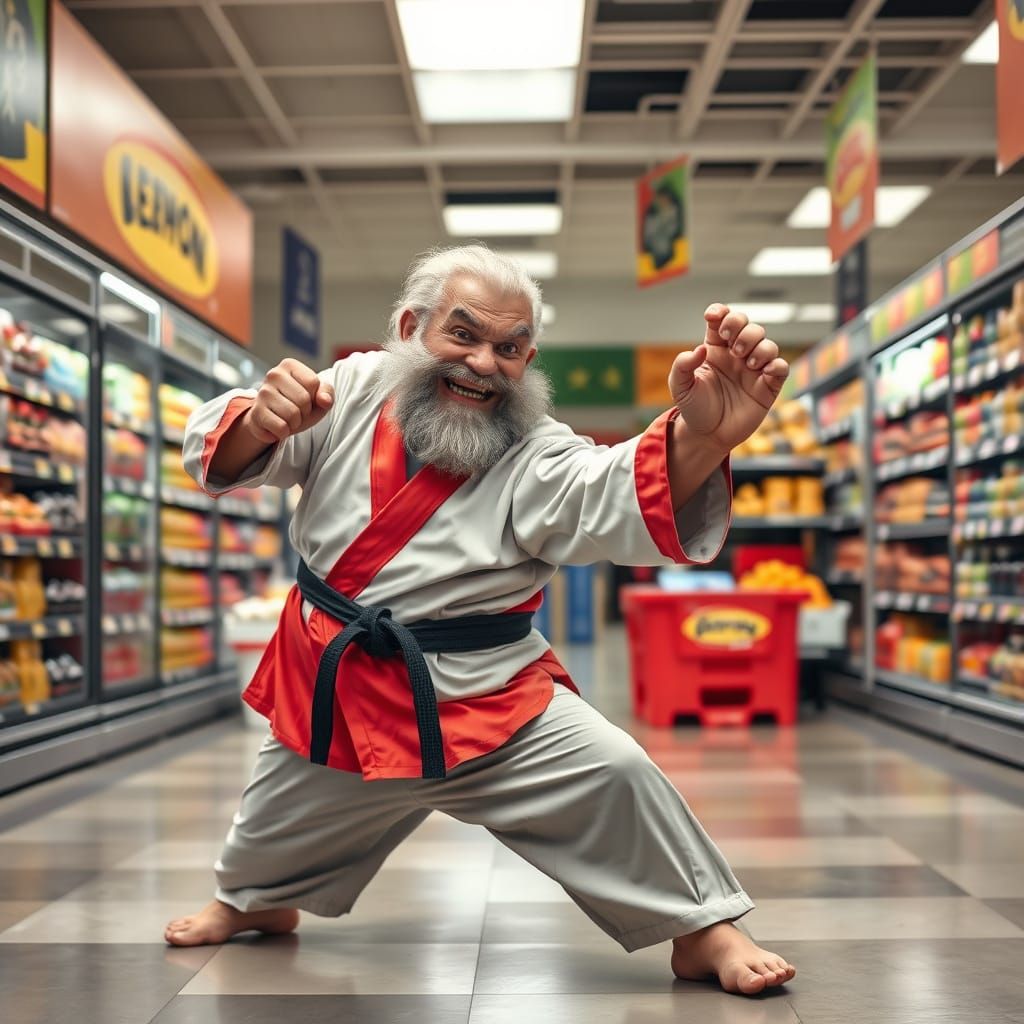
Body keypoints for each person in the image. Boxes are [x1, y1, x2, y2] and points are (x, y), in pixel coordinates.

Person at [165, 245, 796, 998]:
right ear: (411, 327)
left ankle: (703, 930)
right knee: (277, 809)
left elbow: (604, 489)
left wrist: (702, 439)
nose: (483, 364)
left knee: (616, 771)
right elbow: (227, 446)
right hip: (338, 683)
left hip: (484, 698)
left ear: (528, 361)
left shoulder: (535, 449)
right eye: (462, 335)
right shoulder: (353, 388)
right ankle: (254, 901)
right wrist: (260, 423)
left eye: (509, 348)